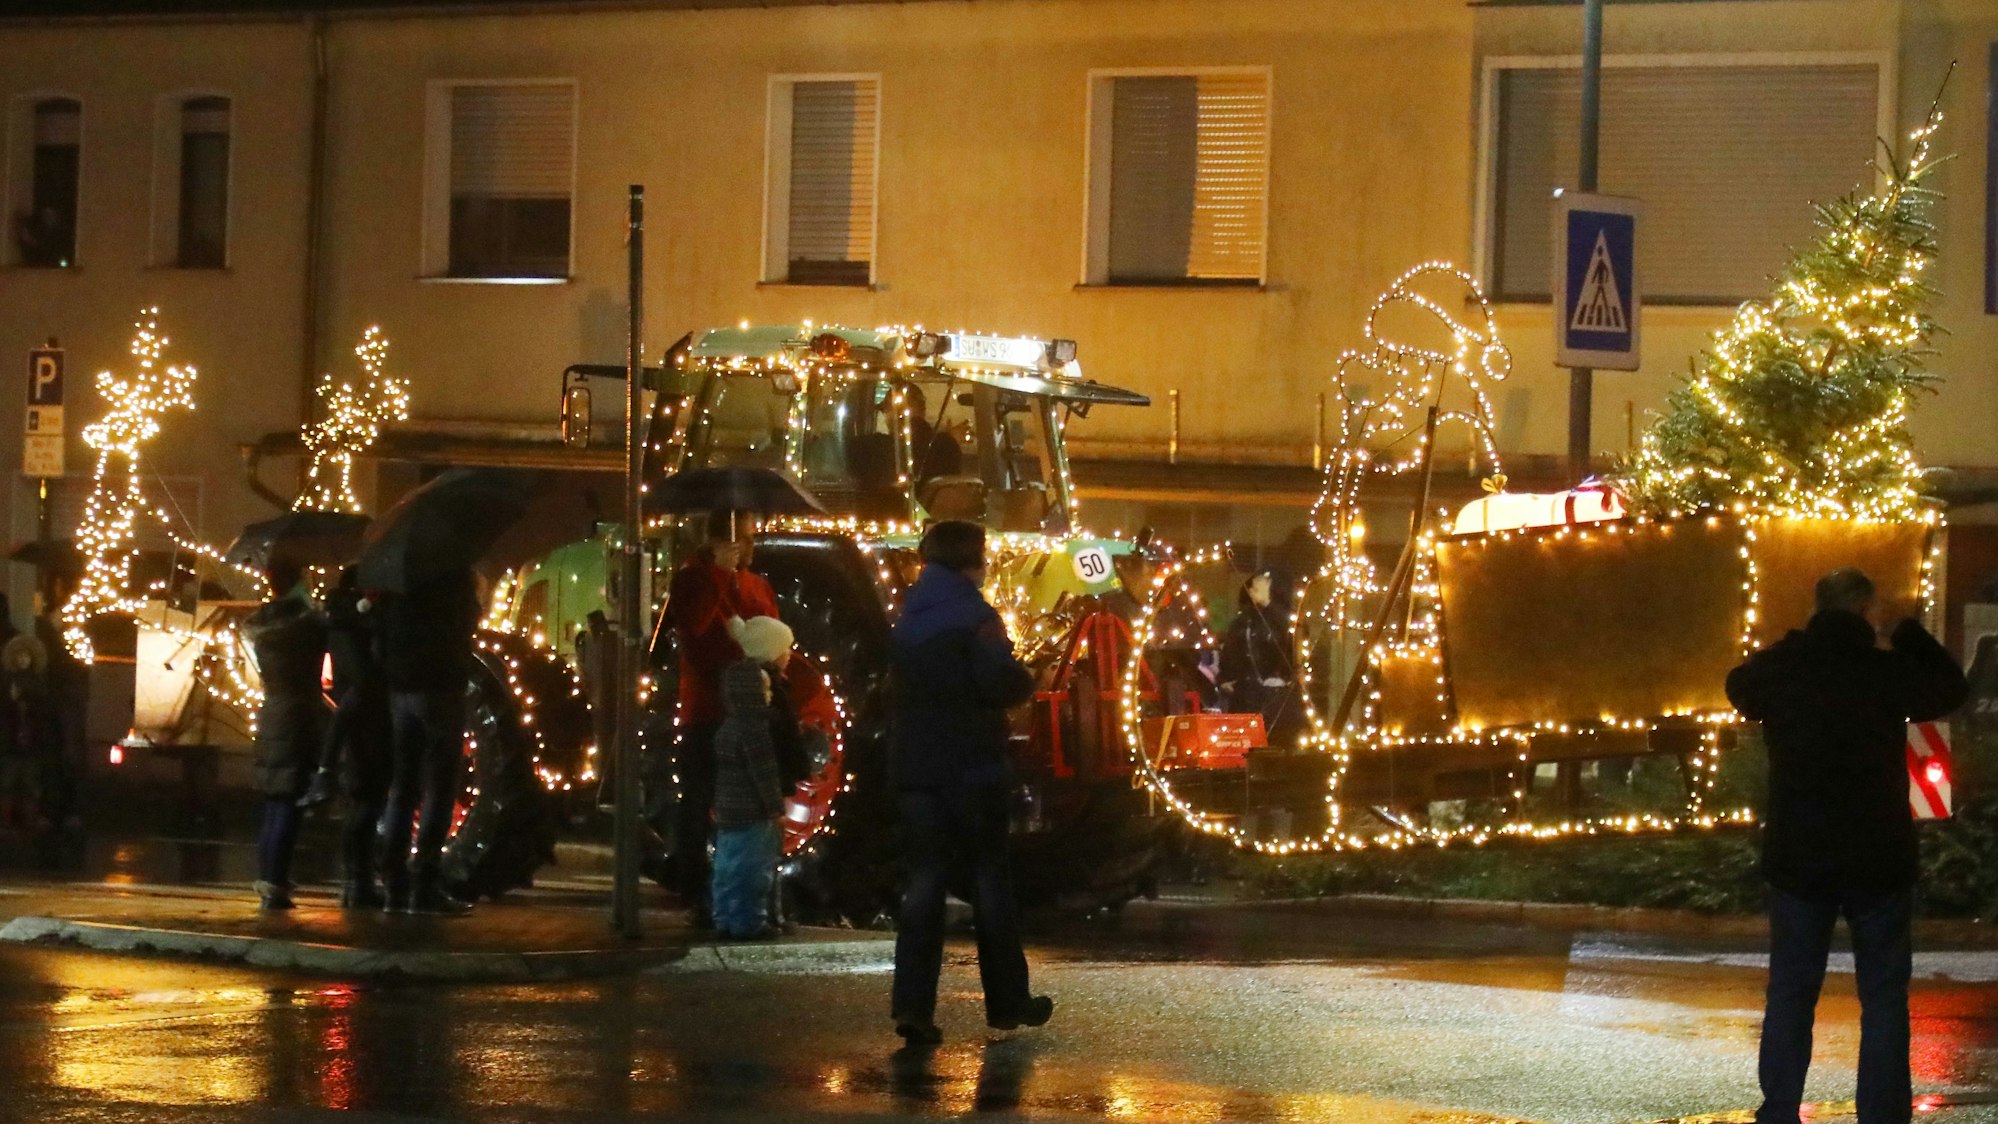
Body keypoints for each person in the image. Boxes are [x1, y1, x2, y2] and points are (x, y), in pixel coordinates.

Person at [1726, 566, 1967, 1124]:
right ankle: (1882, 1112)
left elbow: (1739, 684)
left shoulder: (1787, 670)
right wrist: (1905, 630)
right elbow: (1951, 688)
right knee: (1882, 995)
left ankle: (1780, 1108)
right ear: (1866, 611)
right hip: (1878, 854)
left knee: (1792, 990)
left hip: (1799, 854)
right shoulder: (1885, 672)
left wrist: (1797, 640)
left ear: (1818, 608)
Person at [889, 519, 1051, 1046]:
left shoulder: (907, 618)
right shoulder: (977, 617)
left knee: (924, 882)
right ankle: (1008, 1002)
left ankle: (912, 1007)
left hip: (916, 770)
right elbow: (997, 681)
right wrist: (1027, 676)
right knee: (989, 879)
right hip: (972, 767)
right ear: (972, 560)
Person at [665, 509, 780, 922]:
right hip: (707, 709)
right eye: (739, 538)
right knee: (699, 801)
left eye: (750, 539)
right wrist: (716, 574)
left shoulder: (756, 585)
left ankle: (752, 894)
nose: (747, 547)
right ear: (716, 541)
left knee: (751, 807)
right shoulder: (693, 580)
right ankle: (696, 890)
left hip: (751, 708)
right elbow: (693, 628)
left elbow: (771, 631)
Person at [377, 567, 482, 915]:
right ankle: (424, 883)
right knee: (440, 786)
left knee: (403, 787)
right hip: (440, 688)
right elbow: (467, 623)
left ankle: (394, 882)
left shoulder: (397, 580)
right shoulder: (451, 579)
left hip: (401, 688)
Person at [709, 615, 807, 940]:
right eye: (764, 690)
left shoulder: (727, 728)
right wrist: (775, 808)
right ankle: (750, 922)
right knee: (754, 869)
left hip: (729, 811)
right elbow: (763, 772)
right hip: (755, 812)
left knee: (727, 866)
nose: (769, 694)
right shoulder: (756, 731)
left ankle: (724, 917)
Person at [243, 559, 328, 911]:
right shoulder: (306, 625)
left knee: (273, 802)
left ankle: (269, 877)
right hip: (298, 716)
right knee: (290, 801)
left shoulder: (262, 625)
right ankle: (276, 882)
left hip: (272, 713)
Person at [314, 566, 393, 909]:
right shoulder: (352, 624)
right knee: (366, 803)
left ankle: (356, 882)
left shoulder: (340, 621)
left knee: (363, 803)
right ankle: (358, 882)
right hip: (367, 718)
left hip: (356, 717)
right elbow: (364, 676)